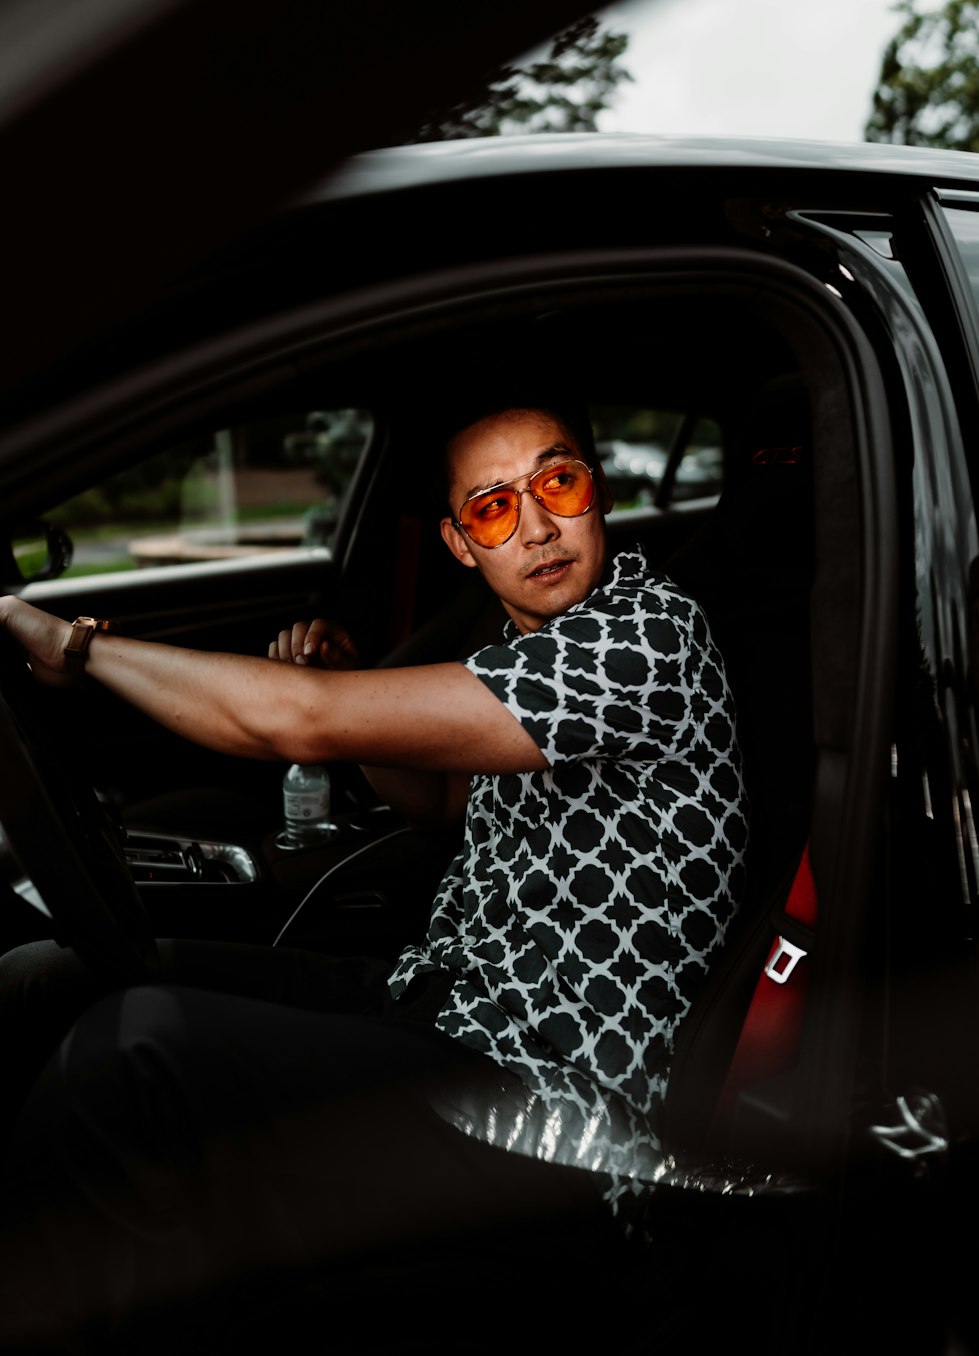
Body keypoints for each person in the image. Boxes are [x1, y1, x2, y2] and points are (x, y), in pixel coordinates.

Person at [0, 403, 748, 1350]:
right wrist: (369, 684)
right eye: (492, 509)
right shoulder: (521, 651)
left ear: (598, 491)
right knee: (47, 981)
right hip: (438, 1002)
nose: (539, 526)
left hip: (556, 1103)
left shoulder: (649, 637)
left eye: (559, 484)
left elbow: (294, 724)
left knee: (131, 1051)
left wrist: (75, 646)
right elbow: (438, 803)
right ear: (459, 543)